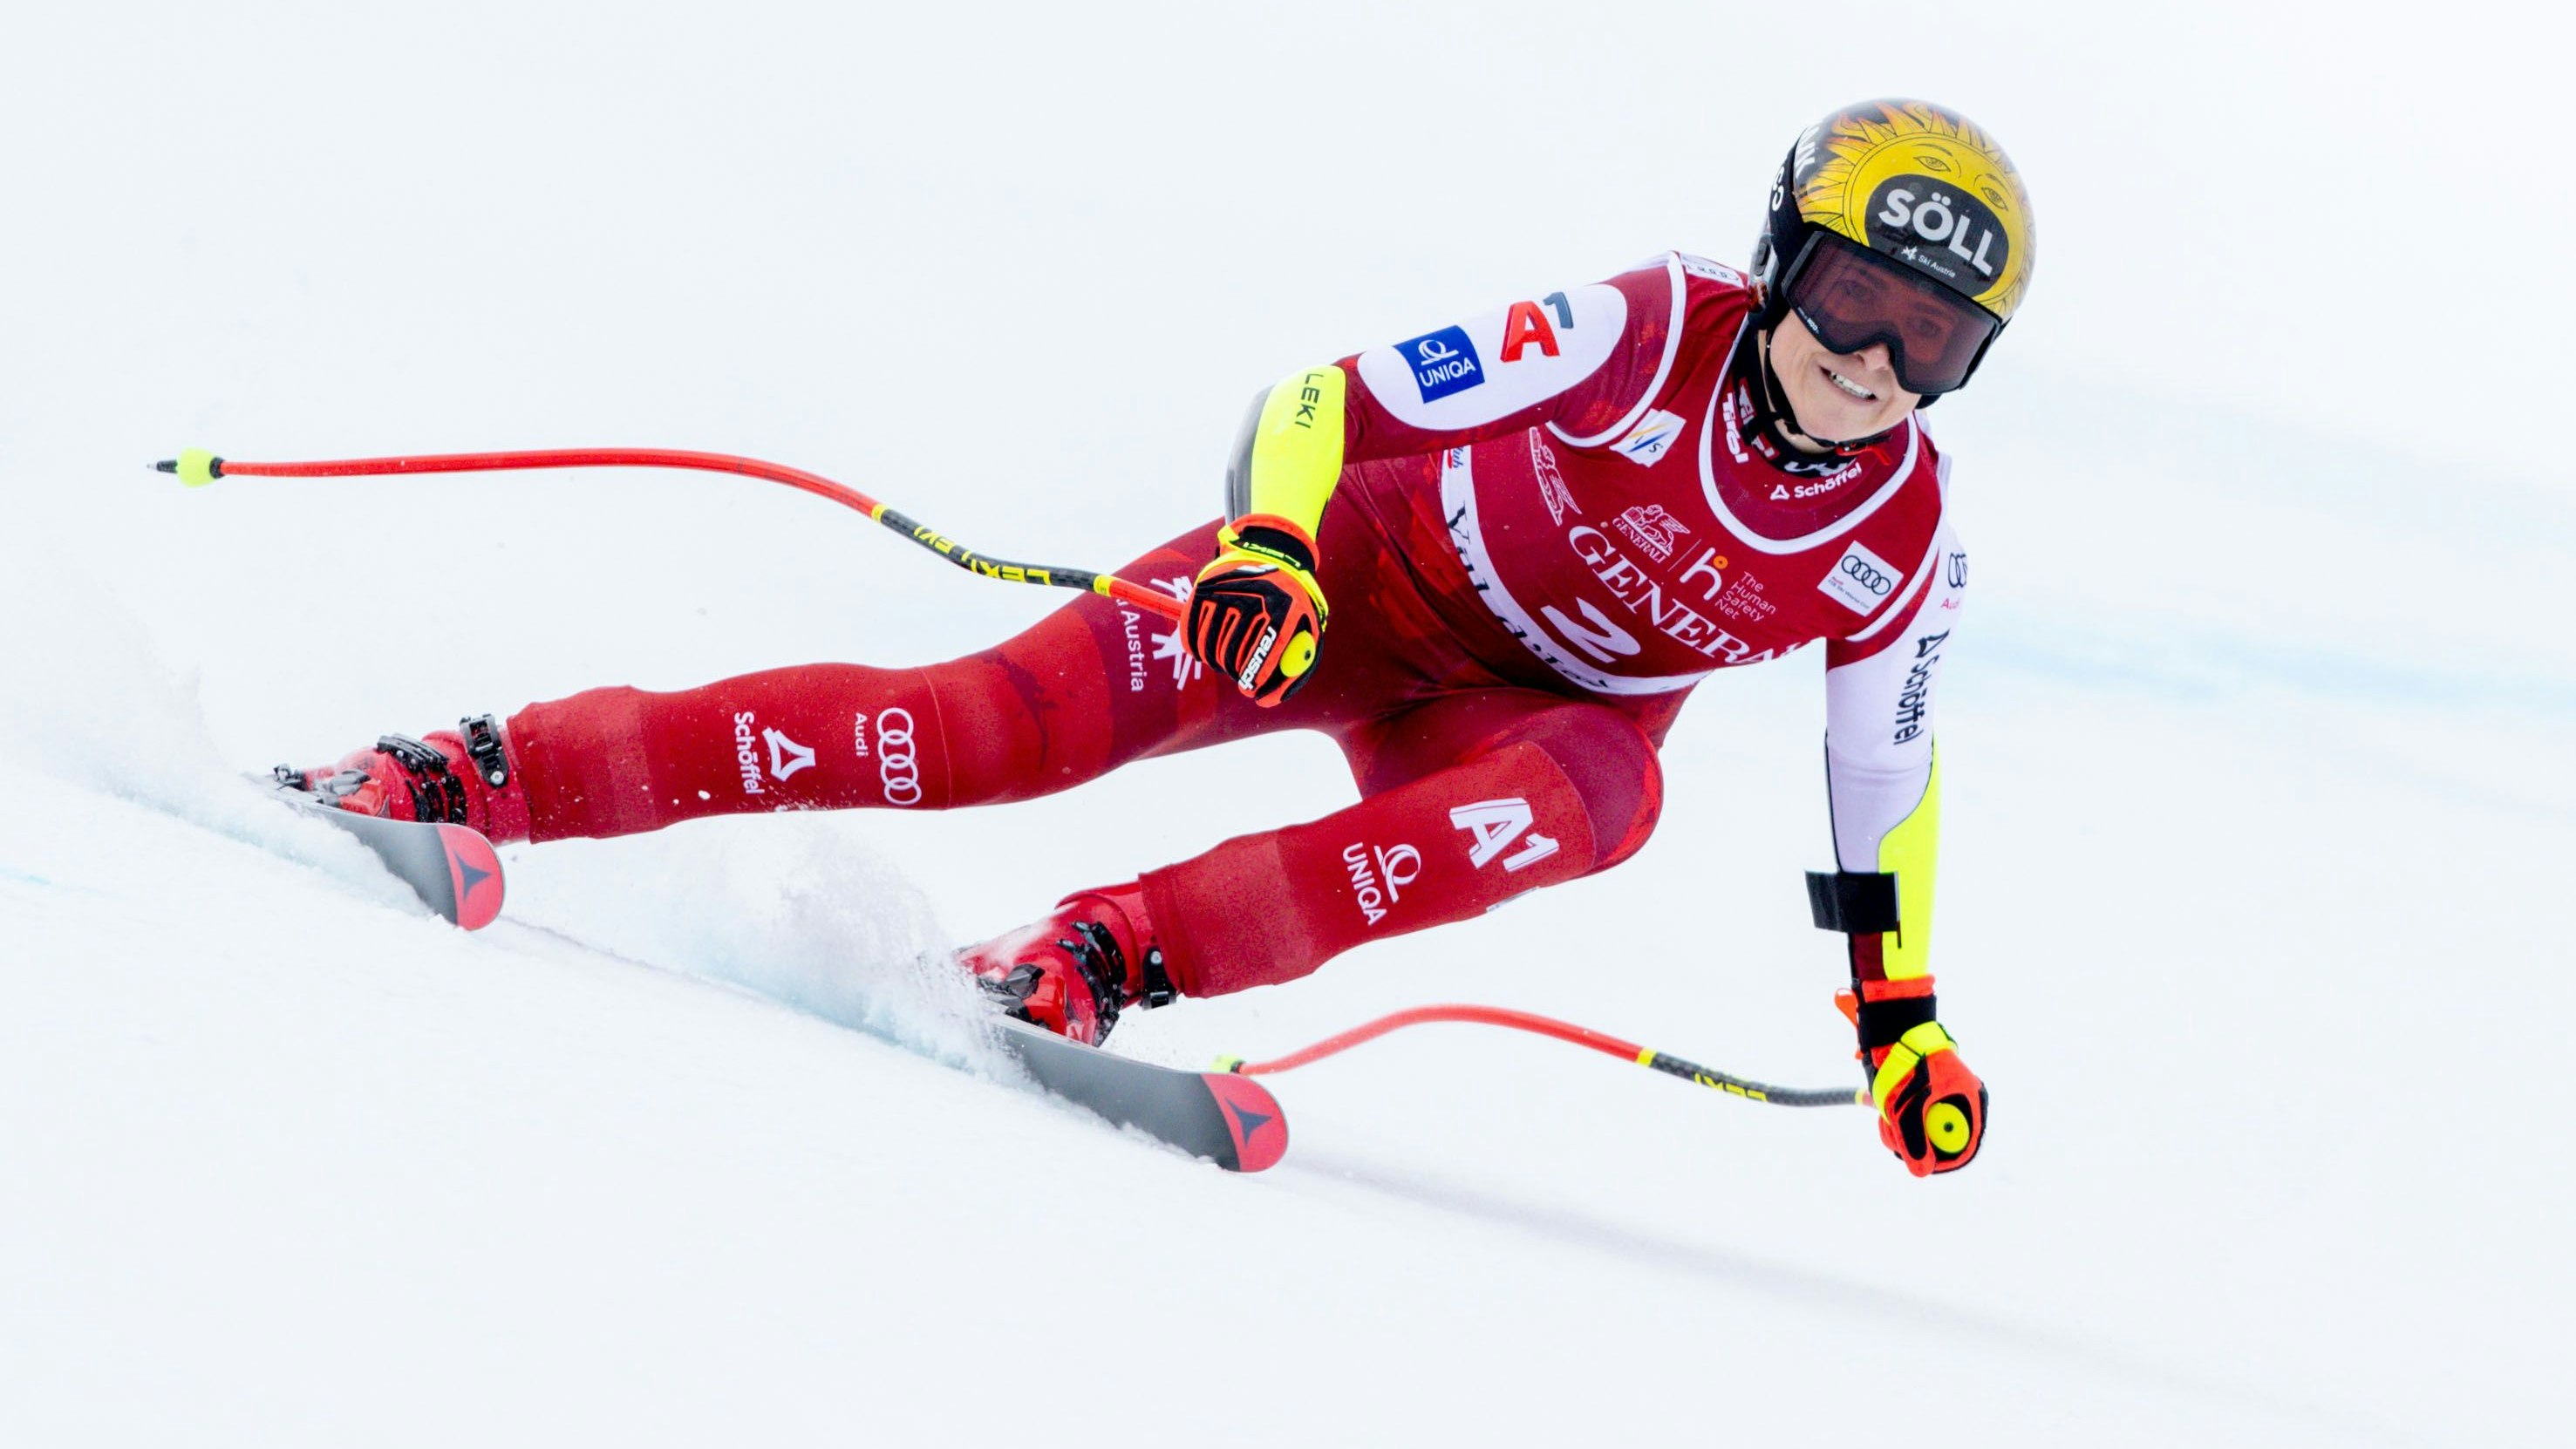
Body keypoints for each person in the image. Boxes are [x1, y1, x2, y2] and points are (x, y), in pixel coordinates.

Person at [287, 98, 2032, 1179]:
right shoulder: (1644, 320)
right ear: (1779, 263)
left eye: (1930, 343)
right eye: (1849, 298)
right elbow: (1325, 400)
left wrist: (1900, 1020)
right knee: (978, 734)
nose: (1871, 362)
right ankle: (471, 772)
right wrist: (1269, 542)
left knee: (1595, 802)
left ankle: (1089, 964)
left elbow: (1878, 769)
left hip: (1523, 715)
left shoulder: (1905, 540)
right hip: (1339, 587)